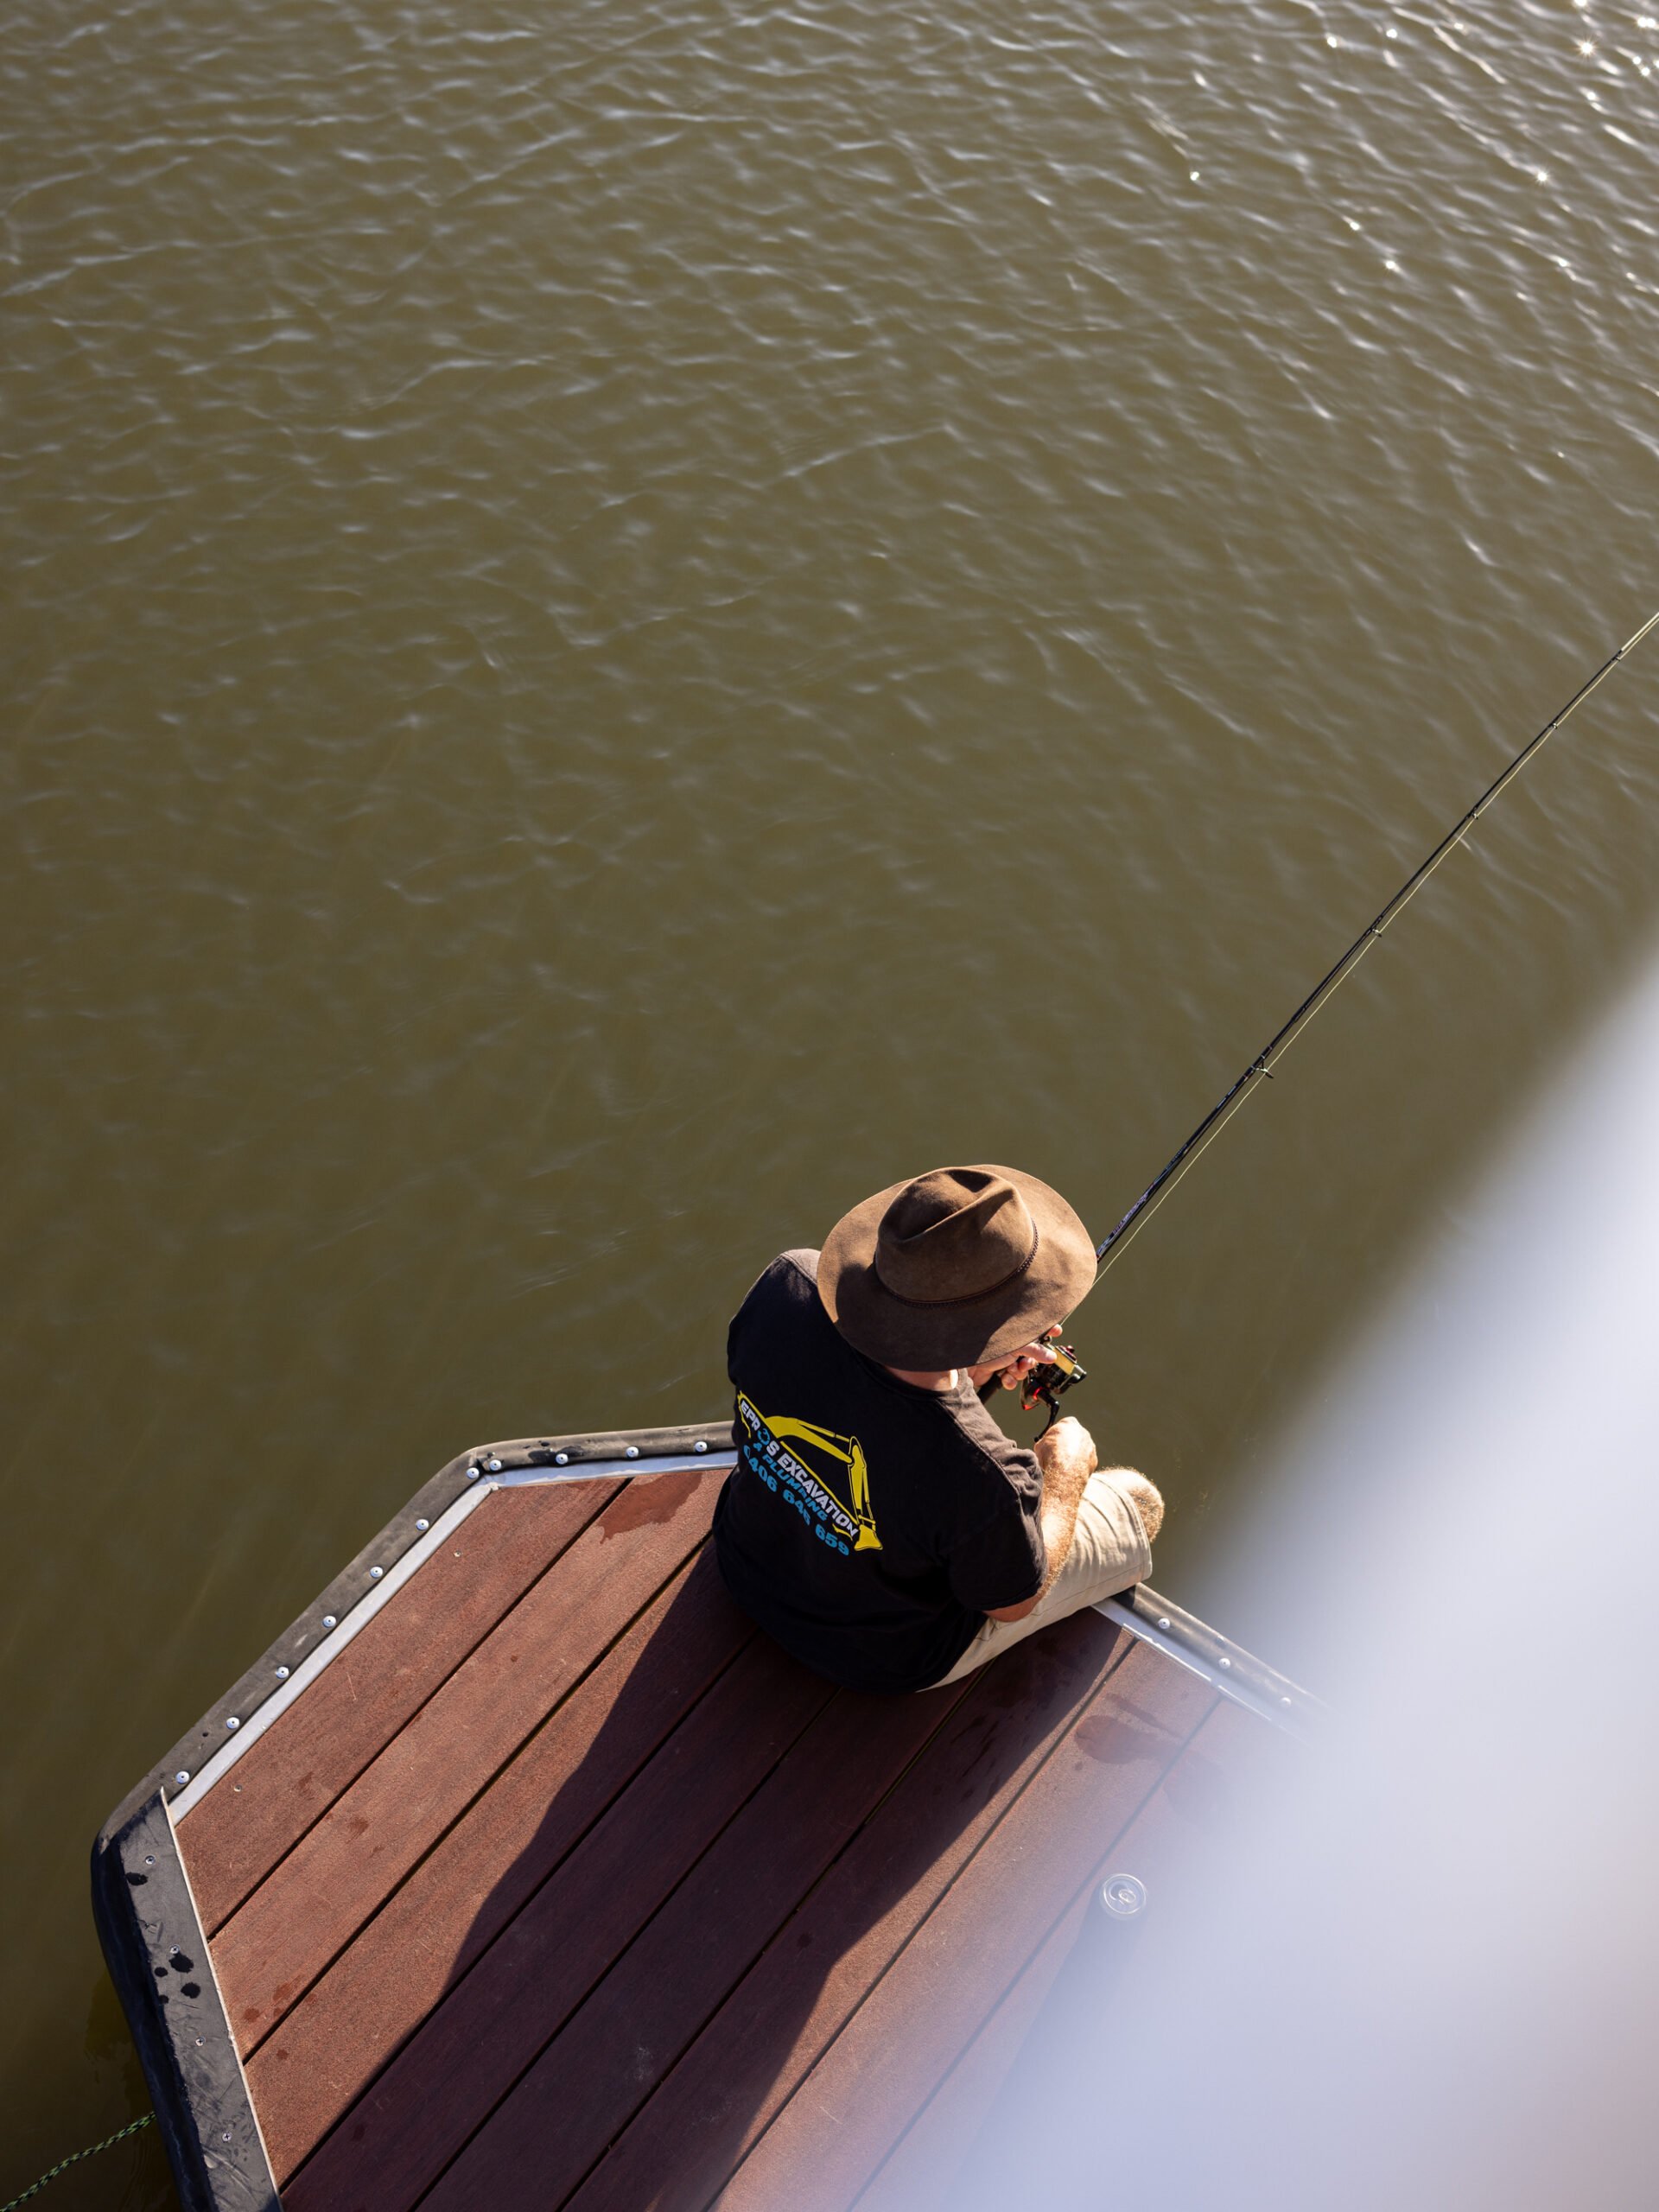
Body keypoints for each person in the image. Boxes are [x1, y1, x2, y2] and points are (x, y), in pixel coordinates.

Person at [712, 1164, 1163, 1695]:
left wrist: (970, 1370)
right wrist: (1064, 1469)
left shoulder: (787, 1284)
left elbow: (872, 1407)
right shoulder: (985, 1475)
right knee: (1139, 1501)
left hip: (744, 1559)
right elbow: (1014, 1600)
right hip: (879, 1656)